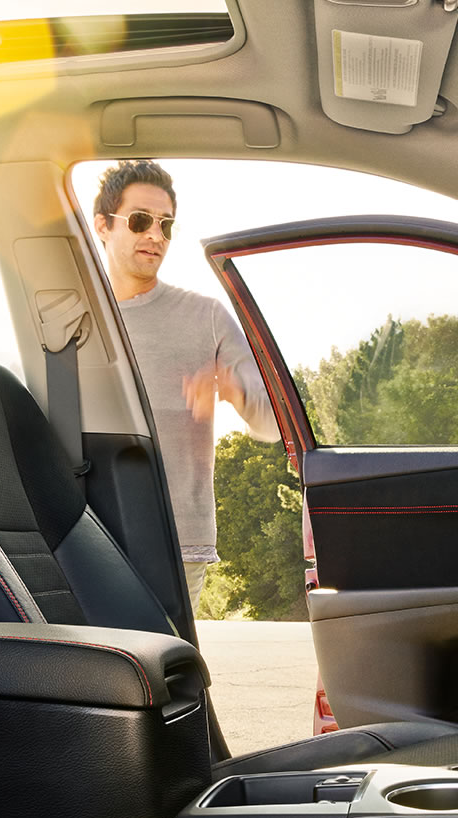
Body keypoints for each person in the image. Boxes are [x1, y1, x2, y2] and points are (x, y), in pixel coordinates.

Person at [92, 159, 280, 608]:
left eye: (166, 224)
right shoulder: (73, 318)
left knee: (171, 655)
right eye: (140, 220)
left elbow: (273, 424)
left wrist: (236, 393)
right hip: (90, 536)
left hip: (180, 543)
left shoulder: (206, 315)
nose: (155, 235)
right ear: (103, 226)